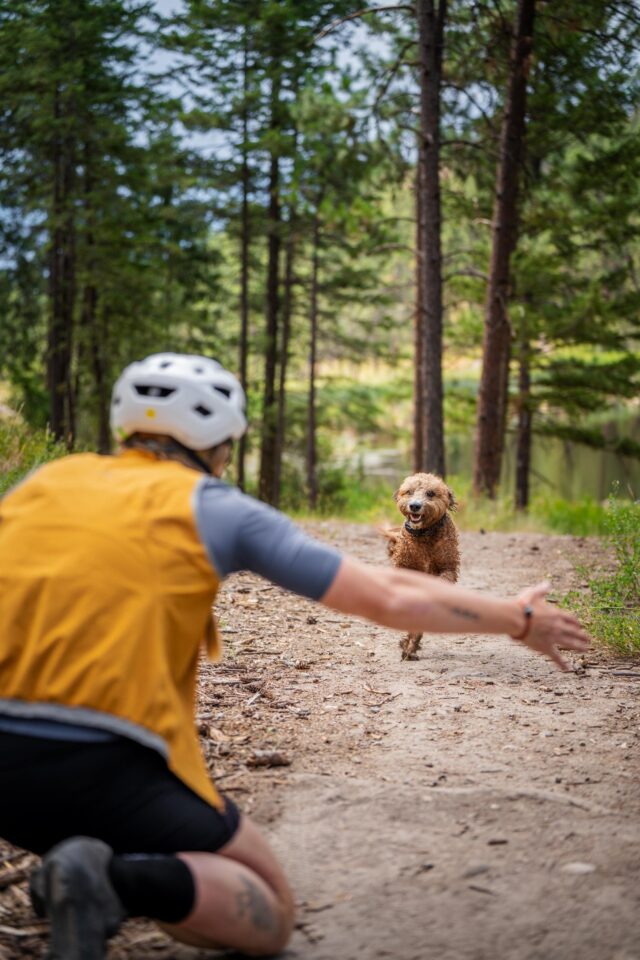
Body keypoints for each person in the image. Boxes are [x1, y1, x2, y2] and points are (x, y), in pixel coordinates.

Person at [0, 353, 589, 960]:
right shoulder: (216, 506)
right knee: (269, 910)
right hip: (106, 764)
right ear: (221, 439)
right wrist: (516, 617)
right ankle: (111, 882)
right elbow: (385, 594)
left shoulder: (41, 484)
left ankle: (90, 871)